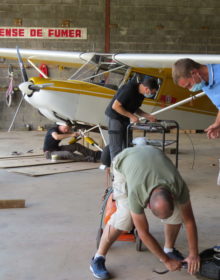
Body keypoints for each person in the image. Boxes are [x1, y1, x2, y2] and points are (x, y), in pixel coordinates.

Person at [90, 145, 200, 279]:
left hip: (151, 154)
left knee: (178, 214)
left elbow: (189, 221)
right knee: (124, 218)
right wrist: (166, 261)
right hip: (124, 161)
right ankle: (98, 257)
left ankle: (169, 250)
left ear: (172, 196)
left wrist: (194, 254)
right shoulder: (136, 192)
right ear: (147, 203)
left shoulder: (178, 185)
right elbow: (143, 232)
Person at [105, 76, 158, 161]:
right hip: (115, 116)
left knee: (127, 144)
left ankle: (127, 166)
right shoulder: (129, 89)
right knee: (116, 146)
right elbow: (116, 106)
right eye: (152, 92)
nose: (152, 94)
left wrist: (146, 115)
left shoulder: (141, 95)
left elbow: (135, 108)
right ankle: (116, 170)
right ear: (146, 89)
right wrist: (131, 116)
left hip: (125, 117)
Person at [172, 58, 220, 139]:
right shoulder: (204, 83)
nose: (190, 89)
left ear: (194, 72)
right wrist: (217, 123)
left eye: (189, 85)